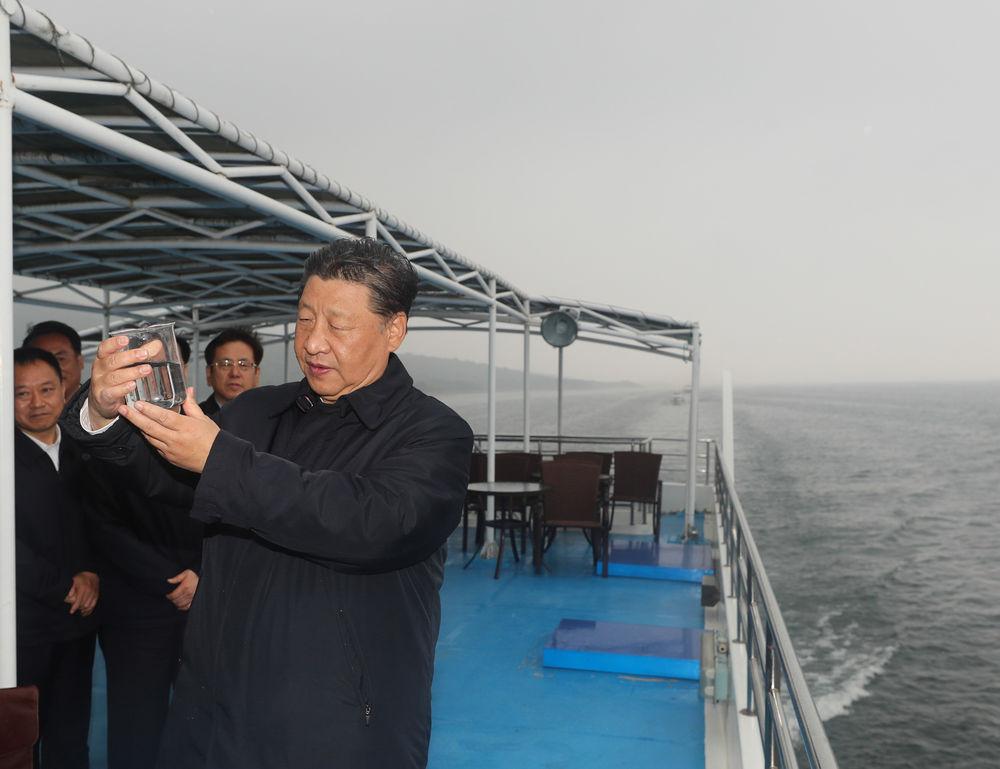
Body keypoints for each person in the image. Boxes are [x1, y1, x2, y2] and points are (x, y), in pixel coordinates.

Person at [62, 237, 474, 769]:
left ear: (393, 329)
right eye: (304, 320)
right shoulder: (257, 412)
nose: (314, 342)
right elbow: (165, 477)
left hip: (336, 729)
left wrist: (218, 459)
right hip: (210, 716)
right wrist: (103, 413)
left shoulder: (434, 433)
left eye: (338, 325)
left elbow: (374, 521)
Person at [13, 347, 99, 769]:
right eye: (21, 393)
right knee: (20, 739)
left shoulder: (88, 450)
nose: (36, 403)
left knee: (71, 737)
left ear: (64, 388)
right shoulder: (4, 457)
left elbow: (103, 523)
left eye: (46, 389)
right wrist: (63, 585)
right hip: (21, 627)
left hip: (79, 622)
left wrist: (92, 574)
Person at [197, 327, 263, 415]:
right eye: (226, 364)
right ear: (209, 373)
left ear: (256, 374)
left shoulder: (272, 417)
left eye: (243, 364)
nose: (235, 373)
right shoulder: (192, 418)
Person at [23, 320, 86, 399]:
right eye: (43, 361)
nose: (53, 368)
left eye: (60, 359)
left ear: (80, 361)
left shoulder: (97, 404)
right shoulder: (12, 405)